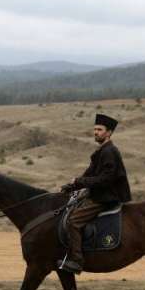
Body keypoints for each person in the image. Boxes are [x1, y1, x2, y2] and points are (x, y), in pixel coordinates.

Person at [58, 113, 132, 273]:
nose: (96, 132)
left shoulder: (110, 152)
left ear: (109, 132)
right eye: (95, 129)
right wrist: (71, 186)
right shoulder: (102, 151)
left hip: (107, 197)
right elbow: (89, 174)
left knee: (73, 221)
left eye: (99, 129)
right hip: (99, 193)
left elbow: (105, 179)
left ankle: (76, 261)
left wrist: (80, 182)